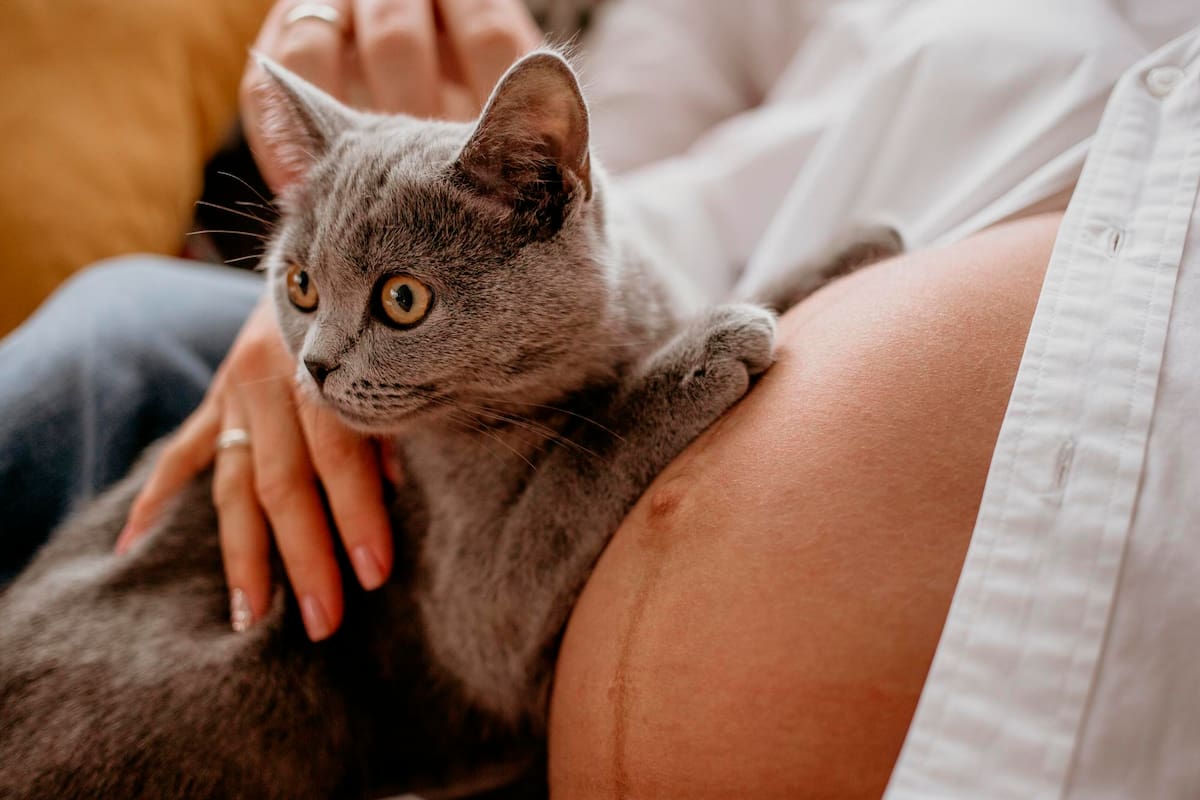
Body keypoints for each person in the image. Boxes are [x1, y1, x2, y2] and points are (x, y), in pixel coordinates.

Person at [1, 1, 1198, 796]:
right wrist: (311, 312)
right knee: (115, 336)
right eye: (301, 284)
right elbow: (621, 123)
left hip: (612, 287)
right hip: (200, 665)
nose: (326, 356)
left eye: (390, 307)